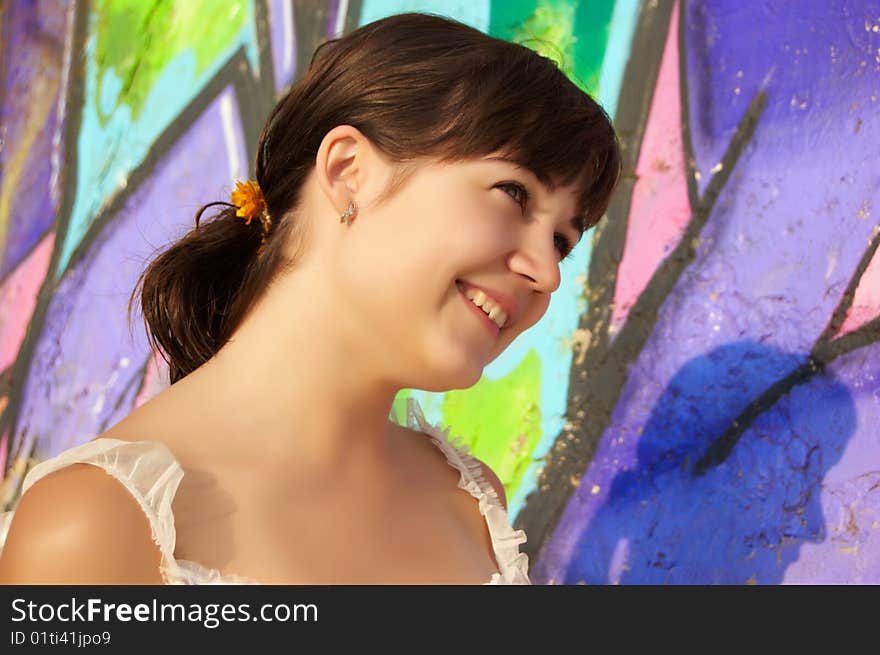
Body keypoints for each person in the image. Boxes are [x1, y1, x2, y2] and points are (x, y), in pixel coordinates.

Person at [0, 12, 620, 585]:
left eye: (562, 241)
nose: (546, 272)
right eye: (514, 194)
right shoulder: (94, 527)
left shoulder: (467, 499)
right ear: (349, 170)